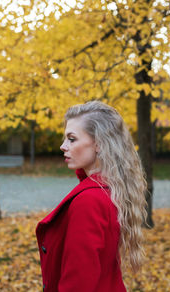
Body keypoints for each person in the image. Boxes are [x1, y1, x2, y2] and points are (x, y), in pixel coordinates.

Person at [36, 100, 147, 292]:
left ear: (98, 144)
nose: (63, 146)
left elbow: (78, 283)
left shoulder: (89, 200)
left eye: (71, 139)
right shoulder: (111, 189)